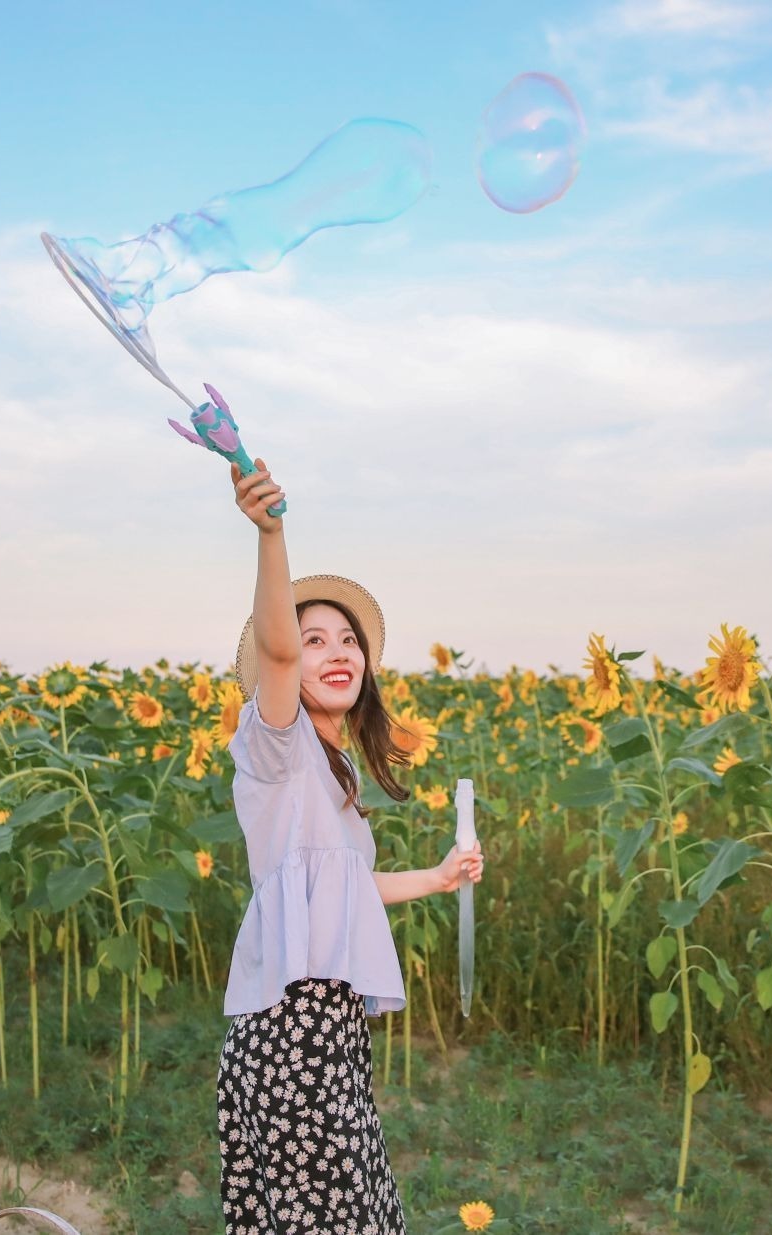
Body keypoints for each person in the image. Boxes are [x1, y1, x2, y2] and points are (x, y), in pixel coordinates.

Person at [216, 455, 486, 1235]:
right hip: (289, 1031)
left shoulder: (332, 778)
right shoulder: (277, 748)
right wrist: (272, 534)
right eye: (313, 641)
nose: (336, 651)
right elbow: (272, 650)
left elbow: (346, 892)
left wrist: (438, 877)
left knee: (355, 1210)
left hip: (328, 1027)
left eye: (348, 640)